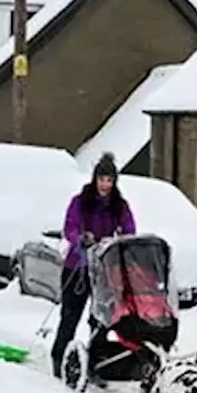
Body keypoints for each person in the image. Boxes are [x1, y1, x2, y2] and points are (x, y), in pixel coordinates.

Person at [50, 152, 136, 378]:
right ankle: (59, 357)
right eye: (101, 179)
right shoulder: (81, 201)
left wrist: (119, 241)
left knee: (101, 320)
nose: (105, 185)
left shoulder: (120, 206)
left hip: (105, 272)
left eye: (109, 181)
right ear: (95, 179)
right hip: (78, 267)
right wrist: (80, 237)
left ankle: (94, 362)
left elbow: (129, 231)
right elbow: (69, 226)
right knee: (70, 315)